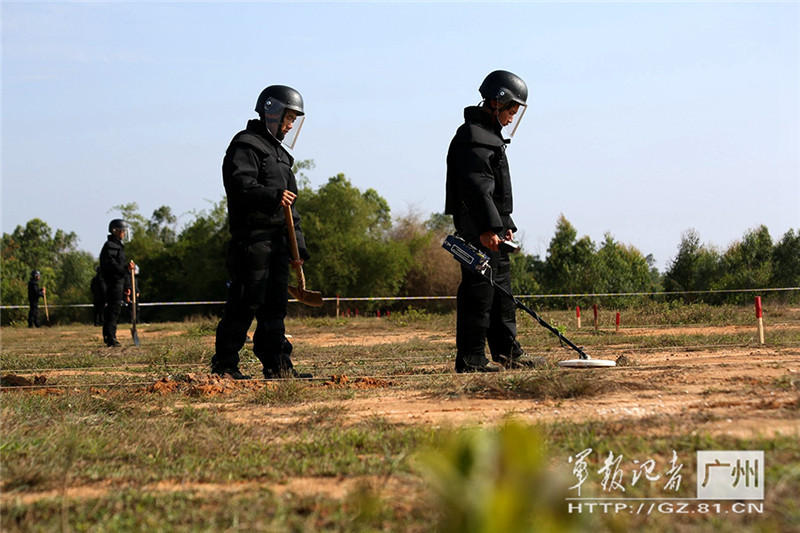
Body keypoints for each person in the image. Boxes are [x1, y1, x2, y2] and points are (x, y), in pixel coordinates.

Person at [211, 85, 312, 380]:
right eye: (289, 117)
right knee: (244, 303)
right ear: (272, 111)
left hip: (279, 244)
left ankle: (277, 365)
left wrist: (299, 250)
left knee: (274, 308)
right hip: (252, 242)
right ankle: (225, 365)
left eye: (294, 119)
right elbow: (240, 186)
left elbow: (292, 206)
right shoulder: (245, 145)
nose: (291, 125)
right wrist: (272, 195)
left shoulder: (281, 156)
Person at [445, 70, 537, 373]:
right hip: (477, 232)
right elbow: (477, 187)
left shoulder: (489, 137)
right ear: (497, 102)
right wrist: (486, 229)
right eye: (511, 109)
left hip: (492, 230)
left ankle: (508, 353)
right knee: (478, 295)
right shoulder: (472, 137)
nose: (512, 116)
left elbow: (497, 192)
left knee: (501, 294)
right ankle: (470, 359)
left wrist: (504, 223)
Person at [99, 219, 133, 347]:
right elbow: (112, 265)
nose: (124, 233)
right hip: (112, 283)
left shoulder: (118, 246)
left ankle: (111, 336)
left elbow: (122, 269)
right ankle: (110, 337)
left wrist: (127, 286)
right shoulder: (110, 246)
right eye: (122, 231)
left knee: (116, 310)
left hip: (120, 283)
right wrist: (125, 269)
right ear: (115, 231)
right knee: (112, 311)